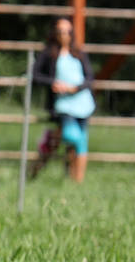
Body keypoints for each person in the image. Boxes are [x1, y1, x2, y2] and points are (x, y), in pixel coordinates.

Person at [29, 16, 95, 182]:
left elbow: (89, 78)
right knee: (74, 137)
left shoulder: (79, 53)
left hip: (82, 103)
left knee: (78, 143)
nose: (64, 35)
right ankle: (51, 139)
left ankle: (77, 181)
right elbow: (36, 76)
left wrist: (76, 88)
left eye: (67, 31)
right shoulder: (48, 53)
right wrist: (54, 83)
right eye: (60, 31)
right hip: (62, 105)